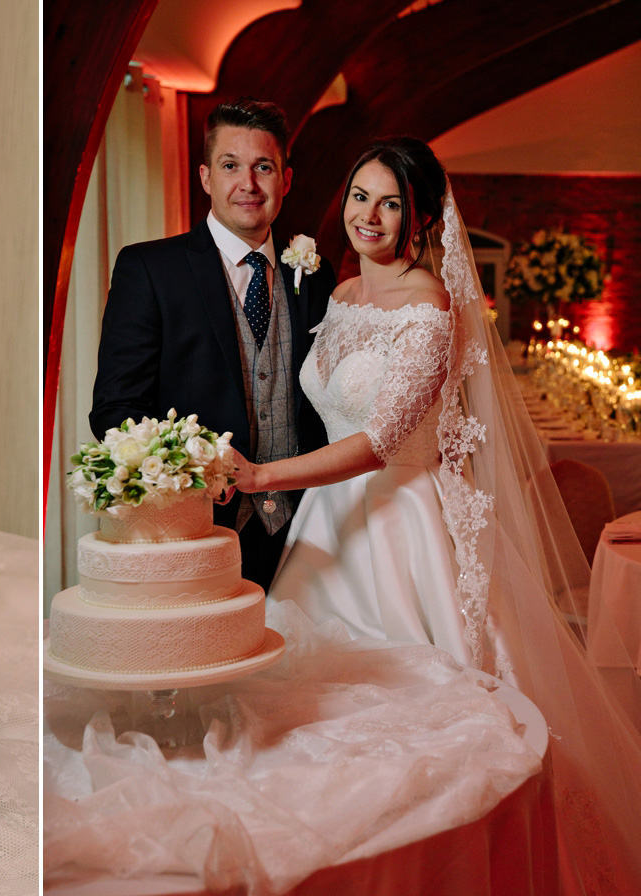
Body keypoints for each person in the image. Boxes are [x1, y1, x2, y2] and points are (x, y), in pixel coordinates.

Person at [235, 136, 641, 886]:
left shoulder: (432, 310)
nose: (370, 215)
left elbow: (380, 441)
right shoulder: (343, 294)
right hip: (325, 528)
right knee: (306, 715)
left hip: (400, 528)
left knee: (416, 718)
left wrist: (260, 476)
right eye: (361, 195)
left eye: (392, 202)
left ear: (420, 218)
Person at [90, 98, 335, 590]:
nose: (248, 184)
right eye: (230, 166)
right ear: (206, 178)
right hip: (194, 532)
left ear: (285, 180)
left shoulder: (315, 274)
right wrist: (195, 469)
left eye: (263, 167)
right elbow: (115, 411)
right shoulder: (149, 269)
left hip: (306, 533)